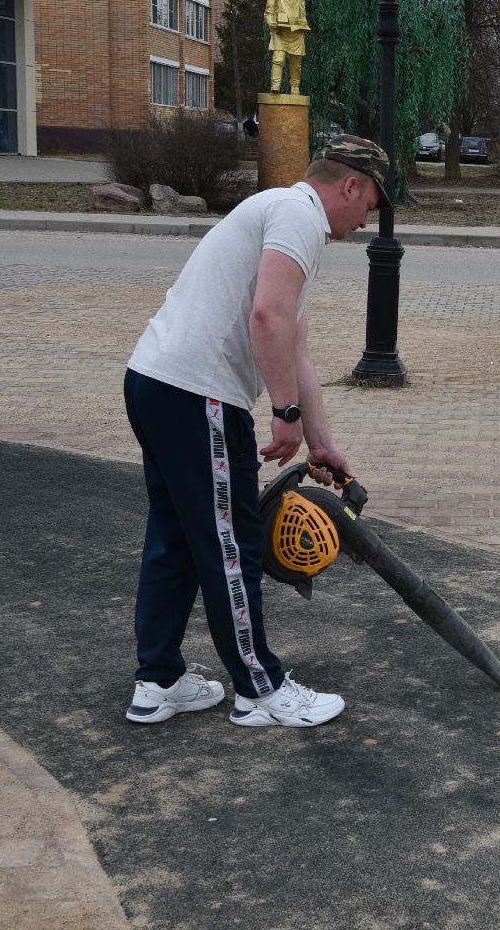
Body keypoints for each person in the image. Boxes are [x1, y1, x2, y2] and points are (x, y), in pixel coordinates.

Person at [122, 134, 390, 728]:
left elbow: (294, 344)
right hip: (199, 394)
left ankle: (158, 680)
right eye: (370, 202)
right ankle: (260, 691)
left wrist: (320, 441)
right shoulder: (299, 217)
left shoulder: (281, 212)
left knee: (178, 538)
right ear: (349, 185)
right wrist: (286, 415)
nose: (367, 218)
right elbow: (266, 317)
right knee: (229, 546)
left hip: (154, 380)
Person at [265, 0, 310, 95]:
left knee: (296, 64)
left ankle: (295, 87)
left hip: (296, 32)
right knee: (278, 59)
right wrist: (271, 22)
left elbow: (303, 12)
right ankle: (275, 86)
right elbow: (268, 12)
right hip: (280, 32)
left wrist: (303, 23)